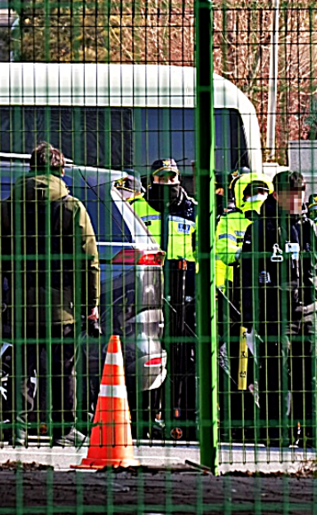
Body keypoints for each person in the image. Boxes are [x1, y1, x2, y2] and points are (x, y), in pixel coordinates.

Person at [0, 142, 101, 448]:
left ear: (30, 168)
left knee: (22, 367)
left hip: (22, 304)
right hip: (62, 307)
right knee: (64, 369)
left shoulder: (7, 207)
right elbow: (87, 259)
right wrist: (91, 304)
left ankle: (18, 430)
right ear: (61, 170)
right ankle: (62, 431)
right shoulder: (71, 207)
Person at [238, 170, 317, 447]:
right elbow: (247, 273)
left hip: (306, 311)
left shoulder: (308, 225)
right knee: (274, 375)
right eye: (290, 195)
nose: (296, 200)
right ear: (276, 195)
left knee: (308, 374)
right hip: (273, 314)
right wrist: (249, 317)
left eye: (300, 194)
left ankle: (309, 430)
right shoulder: (260, 227)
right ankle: (275, 431)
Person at [130, 158, 198, 438]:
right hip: (148, 287)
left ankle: (183, 420)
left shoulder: (193, 209)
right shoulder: (137, 208)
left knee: (185, 358)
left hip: (185, 287)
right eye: (162, 177)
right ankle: (146, 420)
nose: (168, 181)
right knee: (149, 354)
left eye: (172, 177)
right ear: (152, 179)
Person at [214, 171, 271, 291]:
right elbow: (224, 248)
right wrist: (245, 254)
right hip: (238, 284)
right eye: (253, 192)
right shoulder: (229, 220)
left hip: (272, 283)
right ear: (242, 196)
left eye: (263, 192)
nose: (259, 196)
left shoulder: (275, 219)